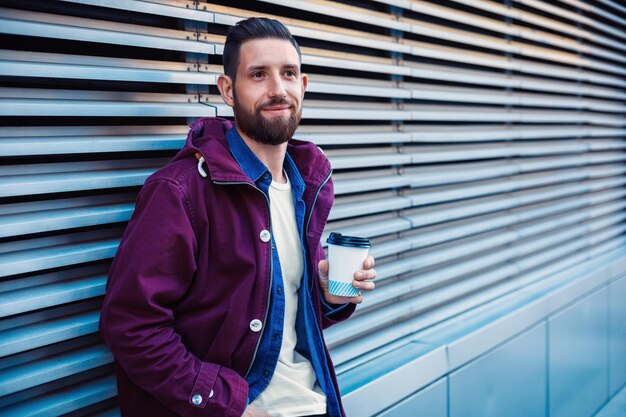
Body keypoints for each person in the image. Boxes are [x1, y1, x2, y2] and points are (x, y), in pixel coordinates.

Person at [99, 17, 376, 417]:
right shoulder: (179, 192)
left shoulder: (305, 187)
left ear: (304, 85)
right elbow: (131, 326)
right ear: (228, 90)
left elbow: (272, 321)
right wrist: (231, 407)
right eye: (258, 75)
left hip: (315, 404)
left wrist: (327, 298)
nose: (277, 89)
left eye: (288, 74)